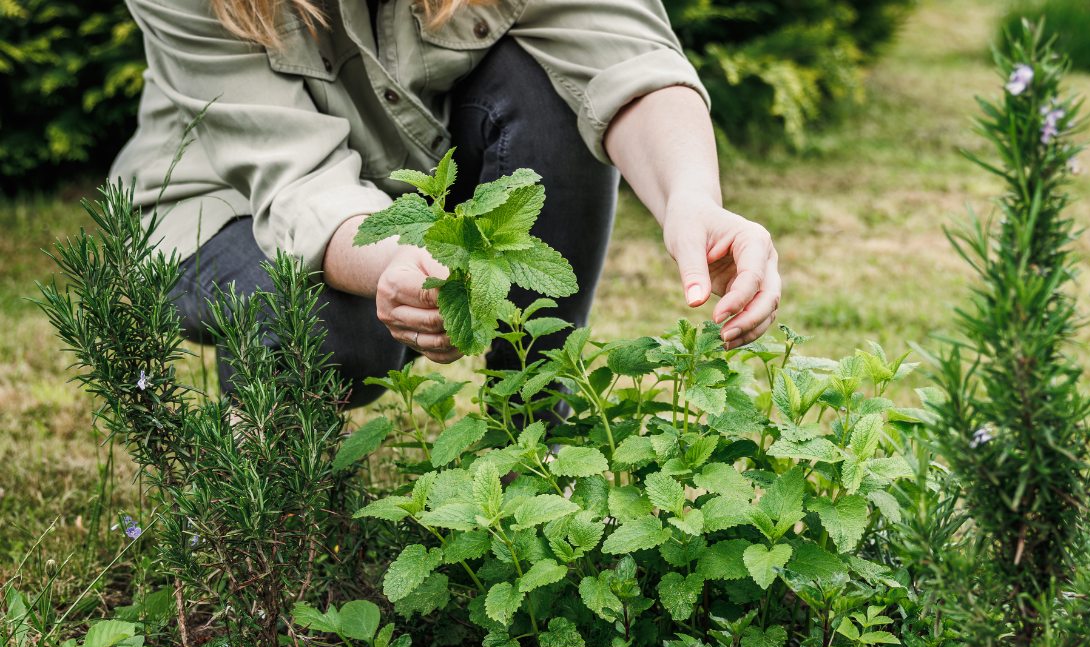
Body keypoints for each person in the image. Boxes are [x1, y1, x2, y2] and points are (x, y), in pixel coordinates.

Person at [111, 0, 782, 407]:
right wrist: (401, 262)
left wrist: (692, 196)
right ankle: (265, 483)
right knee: (326, 327)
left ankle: (532, 436)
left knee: (555, 90)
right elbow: (297, 183)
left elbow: (621, 51)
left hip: (403, 180)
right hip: (217, 202)